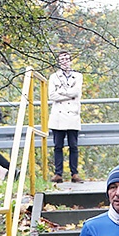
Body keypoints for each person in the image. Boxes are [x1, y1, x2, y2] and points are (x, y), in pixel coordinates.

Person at [48, 51, 84, 182]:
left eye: (67, 58)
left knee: (73, 145)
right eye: (62, 59)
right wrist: (69, 94)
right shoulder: (53, 77)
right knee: (58, 146)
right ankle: (58, 173)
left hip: (72, 114)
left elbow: (77, 92)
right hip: (58, 116)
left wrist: (62, 93)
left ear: (71, 60)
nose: (65, 61)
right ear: (58, 62)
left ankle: (74, 173)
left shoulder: (78, 76)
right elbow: (52, 95)